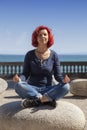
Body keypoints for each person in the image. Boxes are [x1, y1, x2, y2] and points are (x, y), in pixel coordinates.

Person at [13, 25, 70, 108]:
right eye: (40, 35)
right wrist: (20, 79)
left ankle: (35, 101)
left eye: (45, 34)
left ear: (49, 37)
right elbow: (25, 74)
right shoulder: (29, 55)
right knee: (18, 86)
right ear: (36, 38)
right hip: (32, 89)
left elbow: (58, 76)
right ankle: (45, 100)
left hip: (49, 89)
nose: (42, 36)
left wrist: (63, 80)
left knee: (66, 87)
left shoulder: (54, 55)